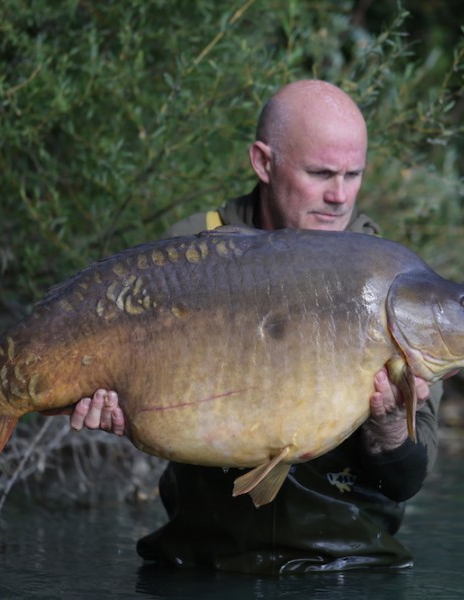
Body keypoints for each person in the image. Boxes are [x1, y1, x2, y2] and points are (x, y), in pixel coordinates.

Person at [70, 80, 441, 574]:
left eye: (353, 175)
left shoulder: (393, 283)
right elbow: (137, 394)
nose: (339, 196)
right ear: (264, 163)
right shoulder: (189, 253)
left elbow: (408, 480)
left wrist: (391, 423)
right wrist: (118, 406)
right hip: (199, 565)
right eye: (320, 173)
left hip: (349, 568)